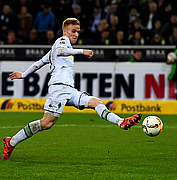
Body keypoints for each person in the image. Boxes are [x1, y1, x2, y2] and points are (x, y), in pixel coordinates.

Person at [3, 18, 141, 160]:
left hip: (69, 90)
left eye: (78, 32)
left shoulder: (53, 50)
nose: (76, 34)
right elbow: (63, 51)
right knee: (46, 123)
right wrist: (82, 51)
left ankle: (121, 122)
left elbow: (39, 63)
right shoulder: (62, 41)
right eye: (73, 31)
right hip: (58, 89)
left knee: (96, 102)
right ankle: (11, 142)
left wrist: (24, 74)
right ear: (65, 31)